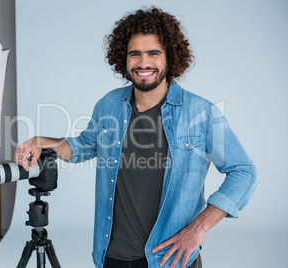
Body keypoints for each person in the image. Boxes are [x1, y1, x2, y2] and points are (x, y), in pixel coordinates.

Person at [14, 6, 257, 268]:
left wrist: (198, 228)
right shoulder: (109, 104)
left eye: (153, 53)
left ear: (170, 58)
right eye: (135, 54)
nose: (143, 63)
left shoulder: (201, 112)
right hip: (112, 256)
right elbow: (83, 146)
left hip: (170, 259)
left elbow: (243, 171)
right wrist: (42, 141)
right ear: (124, 58)